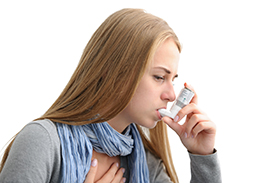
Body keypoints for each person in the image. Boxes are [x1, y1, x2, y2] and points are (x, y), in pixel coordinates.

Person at [0, 8, 221, 183]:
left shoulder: (144, 161)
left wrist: (202, 156)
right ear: (116, 72)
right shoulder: (42, 142)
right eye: (159, 77)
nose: (171, 94)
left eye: (172, 79)